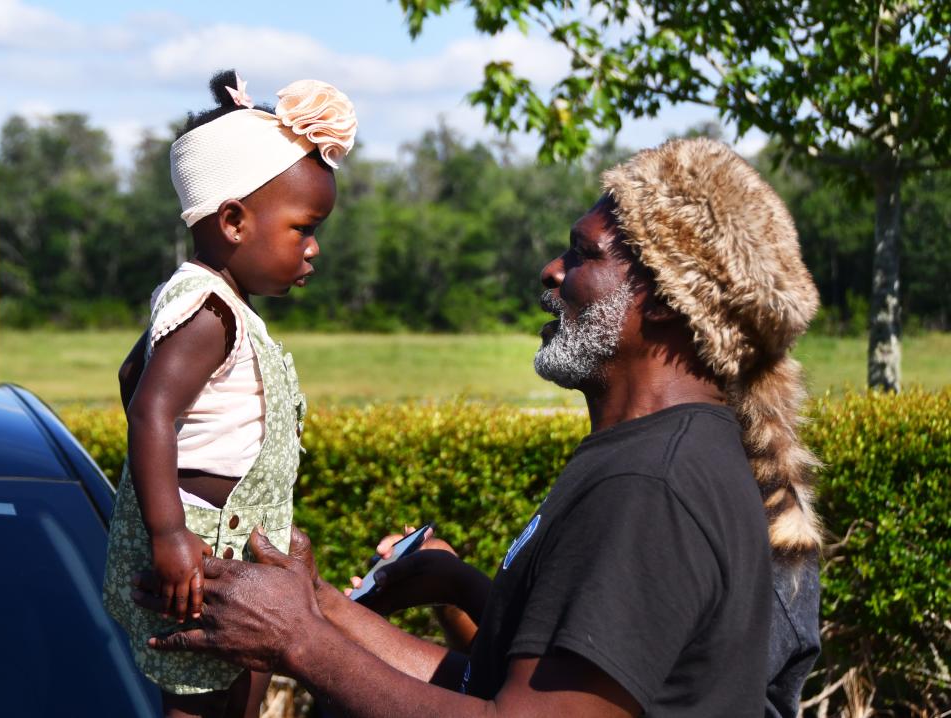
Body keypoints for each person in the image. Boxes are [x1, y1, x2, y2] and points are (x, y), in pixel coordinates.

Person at [133, 137, 822, 716]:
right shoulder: (650, 457)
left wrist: (300, 641)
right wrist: (319, 608)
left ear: (669, 302)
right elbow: (494, 690)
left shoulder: (653, 485)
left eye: (583, 255)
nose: (553, 272)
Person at [103, 69, 356, 718]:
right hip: (202, 562)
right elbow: (154, 410)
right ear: (236, 220)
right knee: (200, 697)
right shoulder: (209, 312)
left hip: (228, 551)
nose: (313, 247)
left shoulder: (207, 304)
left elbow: (135, 381)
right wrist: (170, 531)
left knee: (238, 691)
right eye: (303, 227)